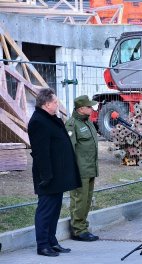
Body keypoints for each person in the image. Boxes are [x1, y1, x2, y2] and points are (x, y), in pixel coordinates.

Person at [28, 88, 81, 257]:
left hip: (57, 176)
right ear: (46, 104)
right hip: (47, 176)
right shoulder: (38, 121)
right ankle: (42, 245)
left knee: (55, 210)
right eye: (55, 102)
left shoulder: (51, 118)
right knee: (45, 210)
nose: (58, 104)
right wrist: (46, 176)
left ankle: (52, 241)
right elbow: (40, 152)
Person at [65, 95, 99, 241]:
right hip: (80, 169)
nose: (92, 109)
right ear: (81, 109)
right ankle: (78, 230)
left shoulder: (88, 123)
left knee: (87, 199)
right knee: (79, 199)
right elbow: (69, 150)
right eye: (89, 106)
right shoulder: (72, 124)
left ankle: (83, 226)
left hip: (90, 167)